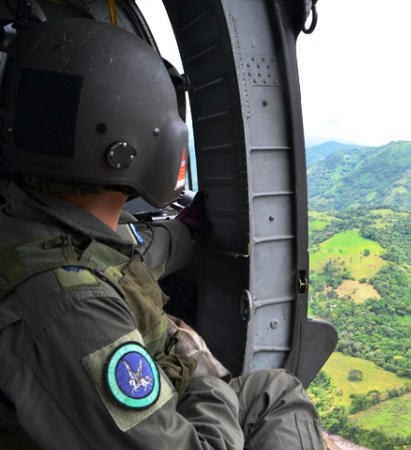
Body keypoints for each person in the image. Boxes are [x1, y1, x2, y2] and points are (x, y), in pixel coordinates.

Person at [0, 18, 324, 450]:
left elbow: (120, 255)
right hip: (179, 419)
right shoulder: (73, 308)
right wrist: (196, 366)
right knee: (276, 399)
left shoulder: (32, 222)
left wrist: (182, 232)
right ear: (131, 147)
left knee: (275, 389)